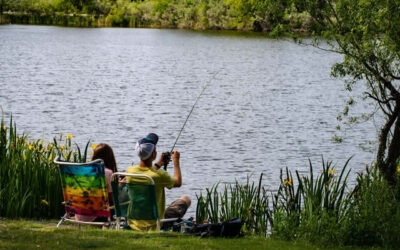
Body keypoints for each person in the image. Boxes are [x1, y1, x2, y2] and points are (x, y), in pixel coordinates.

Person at [126, 133, 191, 231]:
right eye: (155, 149)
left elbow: (148, 172)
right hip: (155, 223)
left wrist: (159, 164)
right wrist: (176, 161)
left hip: (134, 222)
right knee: (186, 199)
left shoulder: (130, 171)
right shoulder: (159, 175)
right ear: (153, 154)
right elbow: (178, 182)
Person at [75, 143, 117, 222]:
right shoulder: (107, 173)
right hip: (96, 216)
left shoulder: (83, 171)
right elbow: (111, 197)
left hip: (80, 214)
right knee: (117, 200)